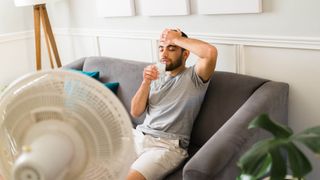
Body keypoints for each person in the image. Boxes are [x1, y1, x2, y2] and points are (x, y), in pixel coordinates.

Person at [127, 28, 218, 180]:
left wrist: (175, 39)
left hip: (166, 146)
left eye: (171, 49)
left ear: (186, 53)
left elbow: (210, 53)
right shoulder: (157, 75)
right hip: (139, 136)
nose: (163, 54)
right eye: (161, 49)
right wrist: (146, 82)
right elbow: (135, 112)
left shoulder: (194, 77)